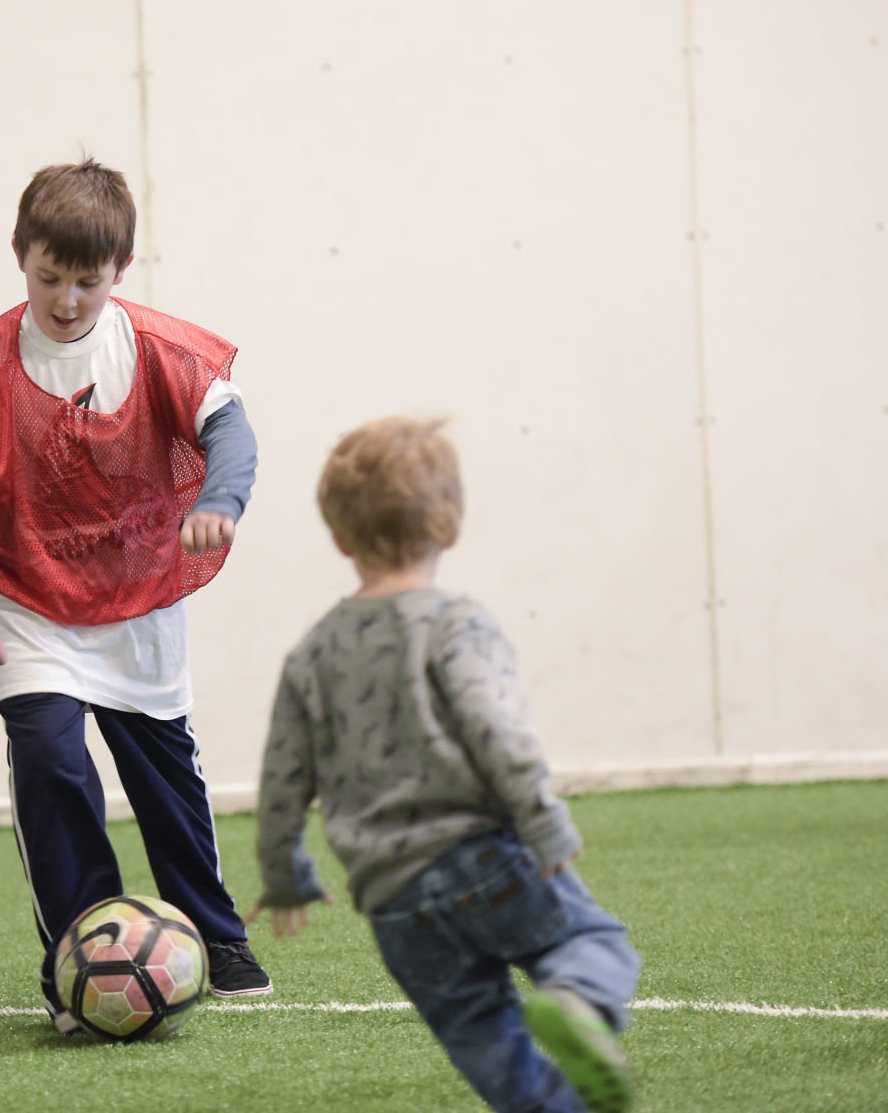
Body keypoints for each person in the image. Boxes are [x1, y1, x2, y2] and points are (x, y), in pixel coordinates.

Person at [0, 158, 270, 1035]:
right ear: (19, 255)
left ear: (121, 269)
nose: (66, 300)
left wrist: (220, 501)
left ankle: (216, 939)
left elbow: (232, 431)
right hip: (29, 608)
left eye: (88, 281)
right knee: (49, 761)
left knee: (164, 779)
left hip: (139, 598)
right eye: (48, 278)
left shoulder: (158, 348)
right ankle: (78, 953)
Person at [246, 416, 640, 1112]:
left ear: (338, 537)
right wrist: (544, 824)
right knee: (592, 940)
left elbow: (282, 777)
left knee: (483, 1036)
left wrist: (286, 877)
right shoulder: (456, 621)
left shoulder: (312, 652)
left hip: (395, 899)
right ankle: (577, 999)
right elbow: (498, 730)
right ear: (450, 524)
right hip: (485, 858)